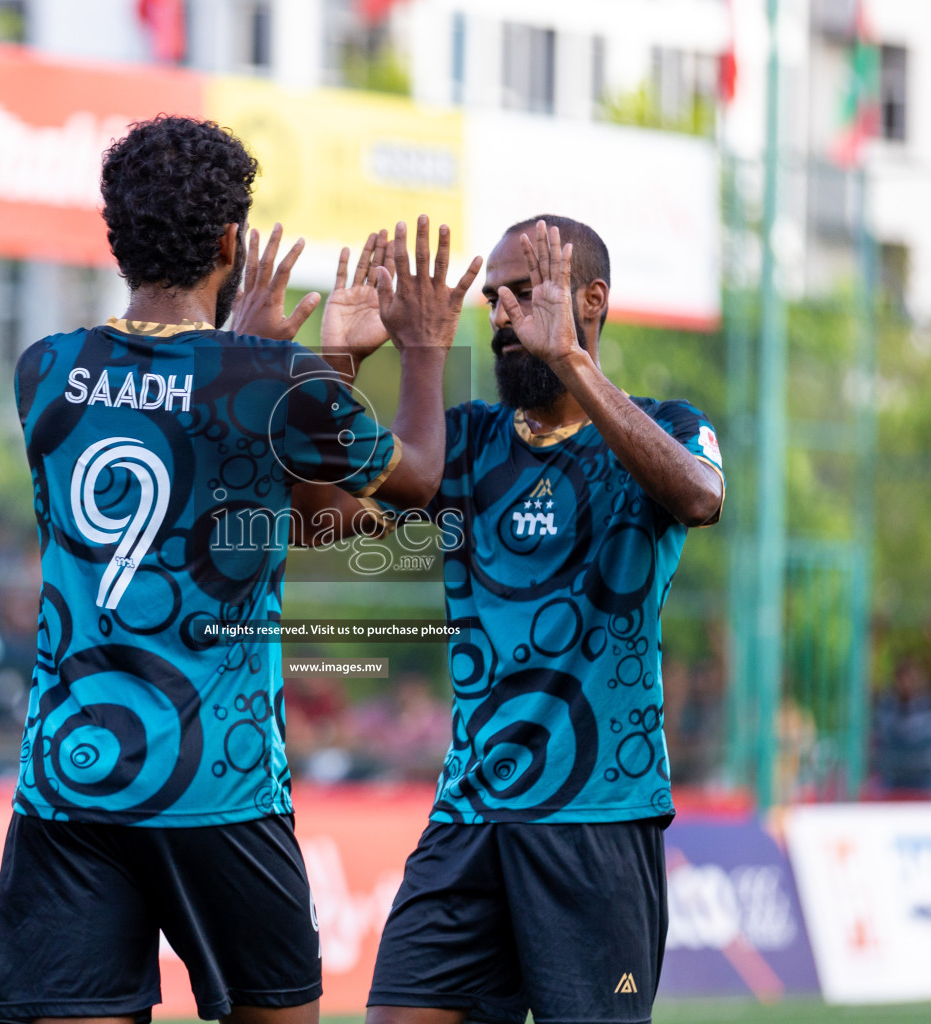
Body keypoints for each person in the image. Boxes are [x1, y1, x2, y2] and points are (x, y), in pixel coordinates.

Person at [0, 113, 479, 1024]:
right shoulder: (268, 379)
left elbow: (255, 503)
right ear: (231, 241)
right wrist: (420, 348)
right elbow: (417, 483)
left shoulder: (43, 370)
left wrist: (286, 358)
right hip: (218, 782)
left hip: (71, 784)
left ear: (115, 236)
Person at [300, 217, 725, 1024]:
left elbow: (699, 498)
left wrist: (568, 358)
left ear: (591, 299)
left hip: (596, 817)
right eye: (492, 299)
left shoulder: (665, 425)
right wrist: (340, 365)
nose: (500, 315)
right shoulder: (462, 442)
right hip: (470, 814)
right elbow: (319, 523)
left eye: (524, 294)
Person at [870, 658, 931, 795]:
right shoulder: (886, 707)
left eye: (910, 678)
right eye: (902, 679)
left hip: (925, 780)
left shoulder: (930, 705)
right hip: (893, 778)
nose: (906, 683)